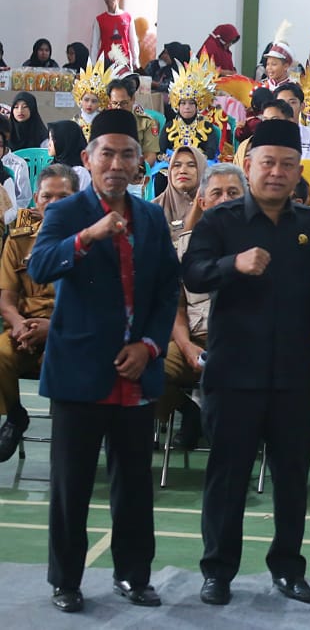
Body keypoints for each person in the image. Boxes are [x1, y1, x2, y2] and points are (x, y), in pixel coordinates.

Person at [182, 119, 310, 607]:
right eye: (268, 163)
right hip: (233, 374)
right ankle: (218, 572)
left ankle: (289, 569)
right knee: (227, 479)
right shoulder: (220, 221)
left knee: (293, 479)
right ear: (249, 165)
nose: (277, 173)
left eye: (288, 165)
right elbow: (191, 274)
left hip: (295, 375)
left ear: (300, 173)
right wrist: (234, 265)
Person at [28, 110, 181, 613]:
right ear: (88, 160)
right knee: (71, 486)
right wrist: (88, 236)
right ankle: (66, 580)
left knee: (134, 483)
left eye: (127, 154)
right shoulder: (66, 211)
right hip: (79, 371)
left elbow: (164, 293)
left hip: (136, 371)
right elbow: (41, 266)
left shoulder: (153, 218)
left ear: (140, 163)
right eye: (107, 154)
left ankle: (134, 575)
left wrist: (150, 347)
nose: (116, 164)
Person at [158, 163, 246, 451]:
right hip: (194, 339)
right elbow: (176, 307)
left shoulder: (261, 243)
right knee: (149, 367)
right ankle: (188, 412)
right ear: (203, 202)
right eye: (217, 193)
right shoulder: (184, 247)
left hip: (241, 344)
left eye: (233, 193)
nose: (224, 200)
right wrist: (185, 346)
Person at [0, 166, 79, 463]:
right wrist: (19, 324)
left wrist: (54, 328)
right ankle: (15, 416)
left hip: (70, 333)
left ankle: (69, 435)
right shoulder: (19, 239)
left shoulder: (88, 239)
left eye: (64, 196)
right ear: (36, 199)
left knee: (63, 362)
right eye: (47, 196)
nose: (54, 203)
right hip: (26, 330)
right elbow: (6, 296)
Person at [153, 145, 207, 241]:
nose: (182, 171)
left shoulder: (211, 208)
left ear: (202, 170)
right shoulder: (153, 209)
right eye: (177, 165)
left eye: (191, 165)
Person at [270, 87, 310, 167]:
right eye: (282, 103)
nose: (287, 107)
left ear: (302, 106)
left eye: (292, 102)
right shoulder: (266, 136)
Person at [105, 79, 160, 166]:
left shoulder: (146, 122)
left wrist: (136, 170)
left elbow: (150, 155)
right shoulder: (104, 123)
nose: (119, 108)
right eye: (115, 103)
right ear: (109, 101)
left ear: (133, 99)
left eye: (124, 103)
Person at [91, 0, 138, 68]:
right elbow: (94, 45)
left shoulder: (127, 17)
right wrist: (93, 64)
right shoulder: (99, 19)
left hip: (123, 60)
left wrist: (135, 60)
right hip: (105, 62)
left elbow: (133, 41)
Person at [48, 120, 92, 193]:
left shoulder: (80, 172)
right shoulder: (52, 166)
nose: (49, 143)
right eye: (49, 138)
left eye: (52, 139)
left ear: (65, 140)